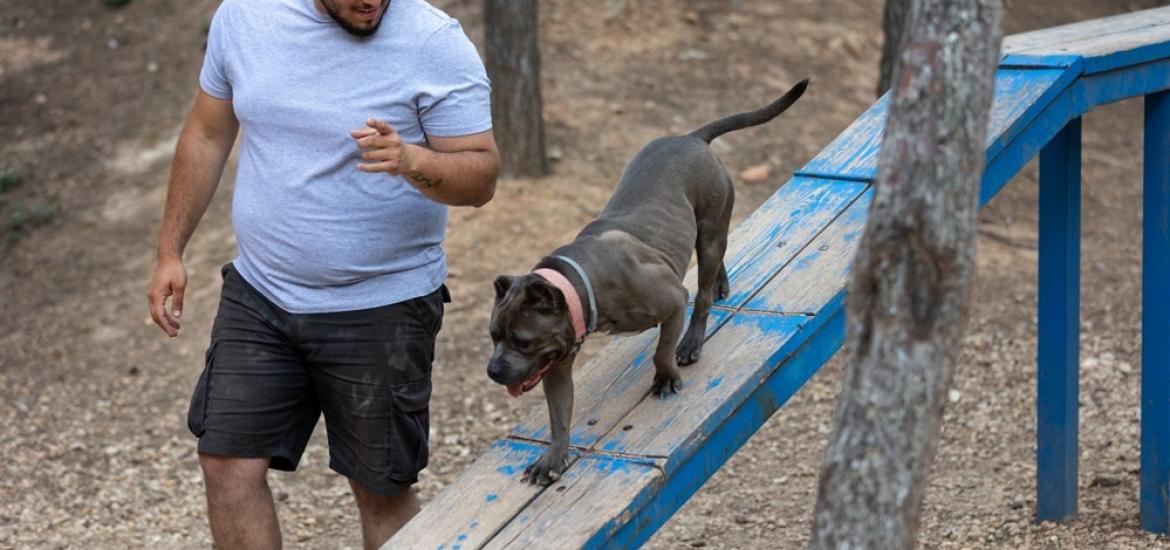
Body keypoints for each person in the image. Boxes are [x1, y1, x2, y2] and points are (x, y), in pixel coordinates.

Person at [146, 0, 499, 547]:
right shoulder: (243, 17)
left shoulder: (433, 41)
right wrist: (171, 249)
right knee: (226, 464)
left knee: (380, 488)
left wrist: (412, 161)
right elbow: (208, 133)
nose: (369, 2)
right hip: (260, 293)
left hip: (382, 305)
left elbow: (480, 177)